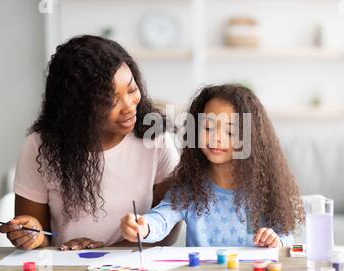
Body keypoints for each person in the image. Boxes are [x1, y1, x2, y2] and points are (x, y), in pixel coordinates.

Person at [0, 35, 180, 250]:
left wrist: (105, 251)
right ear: (77, 107)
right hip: (65, 268)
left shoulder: (154, 137)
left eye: (131, 90)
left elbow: (168, 228)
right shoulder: (40, 147)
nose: (129, 106)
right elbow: (38, 238)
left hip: (130, 264)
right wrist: (33, 237)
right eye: (111, 100)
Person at [121, 84, 305, 247]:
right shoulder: (190, 188)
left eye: (230, 131)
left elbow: (287, 237)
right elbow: (162, 218)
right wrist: (143, 226)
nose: (216, 137)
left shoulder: (263, 188)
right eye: (207, 128)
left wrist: (276, 240)